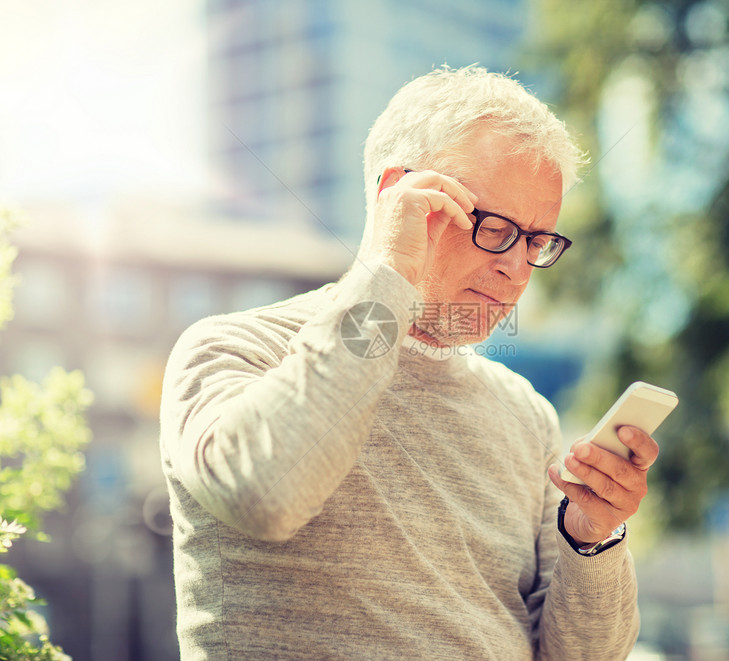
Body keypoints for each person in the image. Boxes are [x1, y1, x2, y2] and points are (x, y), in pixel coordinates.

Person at [160, 65, 658, 660]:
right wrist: (388, 271)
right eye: (494, 228)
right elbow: (267, 495)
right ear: (396, 193)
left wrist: (591, 540)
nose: (516, 269)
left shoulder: (527, 415)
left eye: (536, 241)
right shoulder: (233, 348)